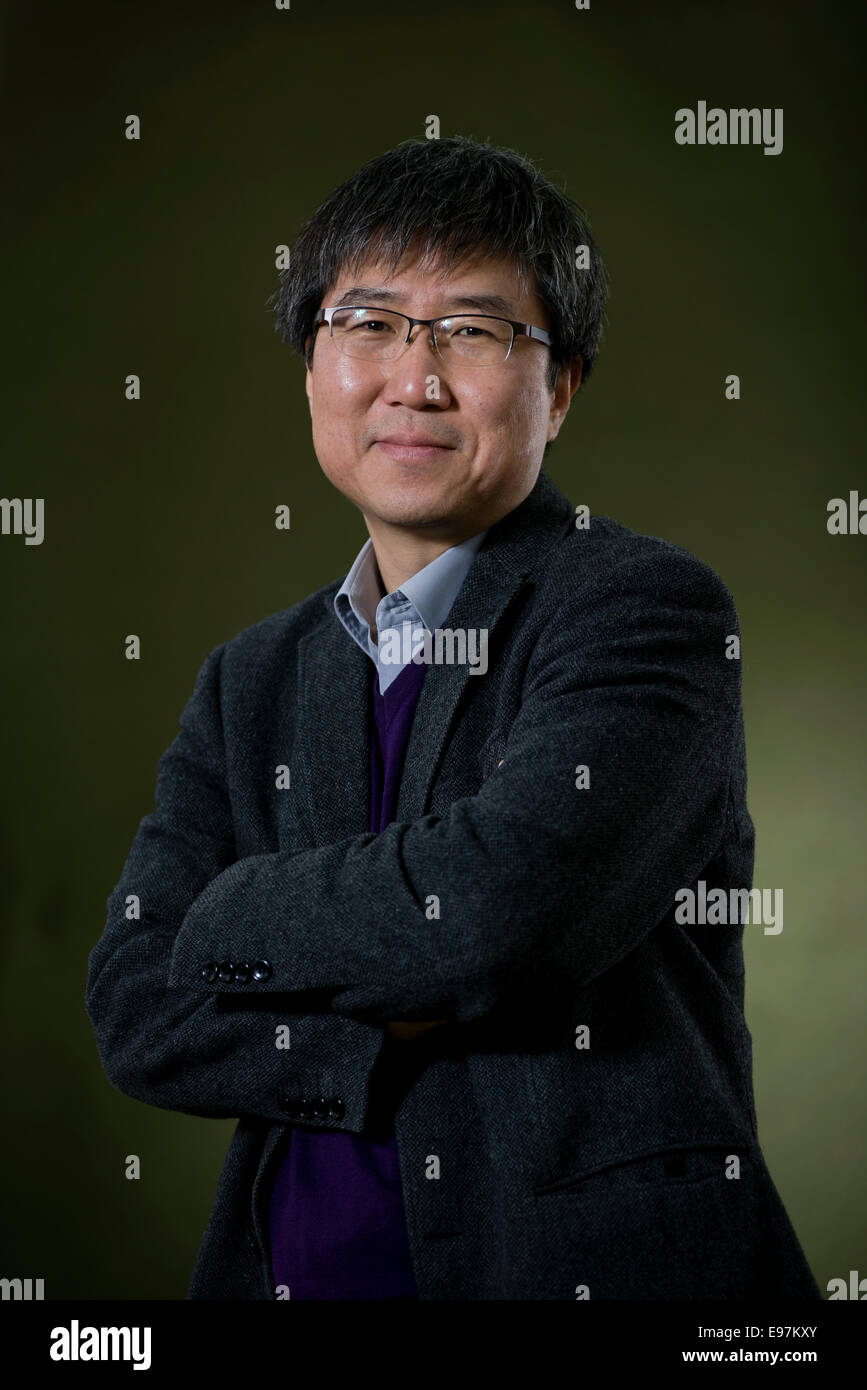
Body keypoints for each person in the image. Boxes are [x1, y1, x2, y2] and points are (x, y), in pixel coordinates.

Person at [85, 136, 819, 1300]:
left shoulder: (643, 609)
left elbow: (502, 907)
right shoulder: (250, 679)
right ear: (313, 366)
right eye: (368, 323)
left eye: (473, 330)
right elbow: (134, 1004)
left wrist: (229, 908)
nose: (413, 378)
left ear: (559, 387)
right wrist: (384, 1024)